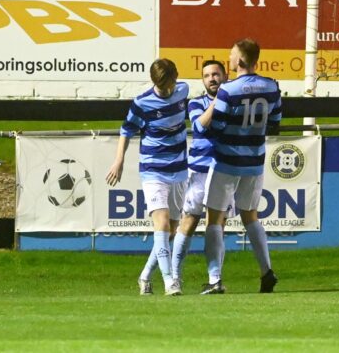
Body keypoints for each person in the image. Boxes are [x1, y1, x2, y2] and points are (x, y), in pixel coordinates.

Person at [203, 38, 282, 294]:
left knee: (214, 219)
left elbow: (218, 124)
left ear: (239, 60)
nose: (229, 59)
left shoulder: (229, 89)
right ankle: (266, 271)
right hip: (255, 161)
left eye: (231, 55)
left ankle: (215, 279)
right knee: (251, 216)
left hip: (227, 160)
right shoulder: (271, 86)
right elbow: (275, 122)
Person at [106, 58, 188, 296]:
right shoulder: (142, 103)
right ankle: (170, 281)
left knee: (171, 231)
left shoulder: (183, 91)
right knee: (161, 223)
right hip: (153, 170)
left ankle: (144, 277)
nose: (166, 90)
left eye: (169, 85)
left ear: (176, 78)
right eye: (161, 86)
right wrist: (119, 160)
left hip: (180, 168)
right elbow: (126, 131)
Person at [170, 60, 234, 294]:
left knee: (217, 224)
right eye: (207, 75)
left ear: (225, 76)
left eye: (216, 74)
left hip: (224, 169)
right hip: (199, 169)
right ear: (203, 80)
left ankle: (215, 280)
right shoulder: (196, 102)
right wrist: (220, 100)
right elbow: (200, 127)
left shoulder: (235, 103)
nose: (212, 79)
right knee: (188, 221)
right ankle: (174, 278)